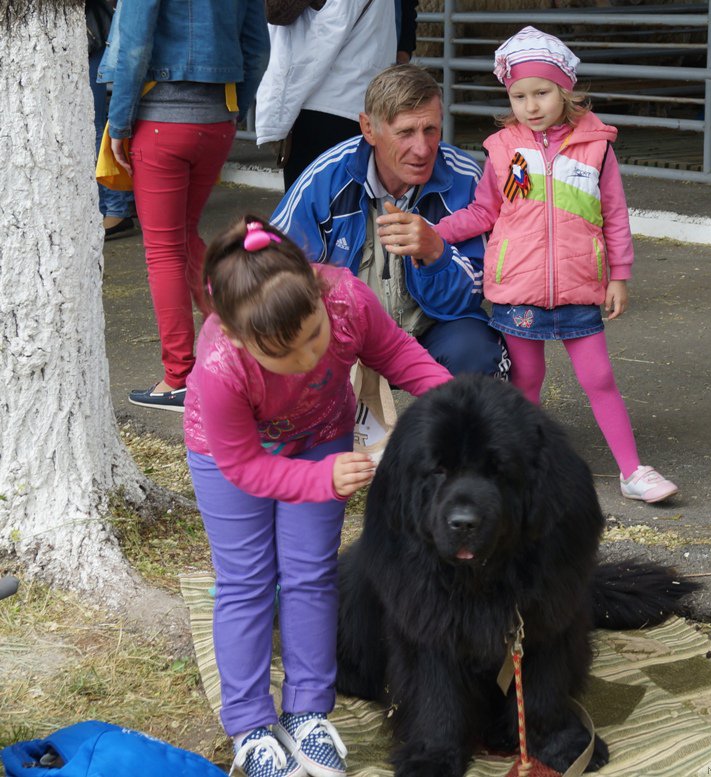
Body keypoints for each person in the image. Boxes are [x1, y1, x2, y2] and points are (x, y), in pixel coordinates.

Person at [184, 217, 452, 777]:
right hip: (229, 457)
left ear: (317, 294)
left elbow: (397, 354)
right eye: (285, 353)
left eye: (314, 336)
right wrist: (322, 480)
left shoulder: (347, 299)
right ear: (238, 337)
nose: (308, 359)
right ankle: (251, 726)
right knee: (246, 581)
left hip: (320, 436)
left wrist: (458, 403)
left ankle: (307, 710)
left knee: (310, 573)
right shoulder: (219, 365)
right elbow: (244, 467)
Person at [431, 26, 678, 504]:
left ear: (565, 90)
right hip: (518, 289)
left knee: (599, 378)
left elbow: (614, 216)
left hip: (580, 287)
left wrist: (620, 276)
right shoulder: (504, 149)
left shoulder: (597, 147)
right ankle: (519, 473)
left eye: (542, 93)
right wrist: (433, 231)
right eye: (519, 95)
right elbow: (484, 213)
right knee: (526, 381)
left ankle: (632, 471)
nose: (531, 105)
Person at [270, 64, 510, 381]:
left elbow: (477, 292)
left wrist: (436, 253)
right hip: (341, 335)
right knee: (283, 349)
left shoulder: (465, 177)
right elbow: (271, 270)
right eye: (405, 132)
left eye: (431, 130)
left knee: (477, 351)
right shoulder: (326, 177)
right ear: (369, 129)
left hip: (432, 330)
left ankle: (460, 414)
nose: (422, 149)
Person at [97, 0, 270, 411]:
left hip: (160, 118)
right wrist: (232, 111)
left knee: (163, 251)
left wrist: (119, 122)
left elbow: (135, 44)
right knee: (185, 238)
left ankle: (179, 378)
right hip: (217, 119)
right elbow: (258, 49)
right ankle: (243, 349)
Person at [255, 0, 396, 191]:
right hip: (359, 102)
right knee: (346, 203)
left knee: (307, 205)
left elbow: (277, 10)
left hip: (320, 106)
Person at [87, 0, 136, 239]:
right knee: (94, 124)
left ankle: (116, 208)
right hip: (90, 34)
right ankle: (120, 203)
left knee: (93, 126)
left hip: (89, 34)